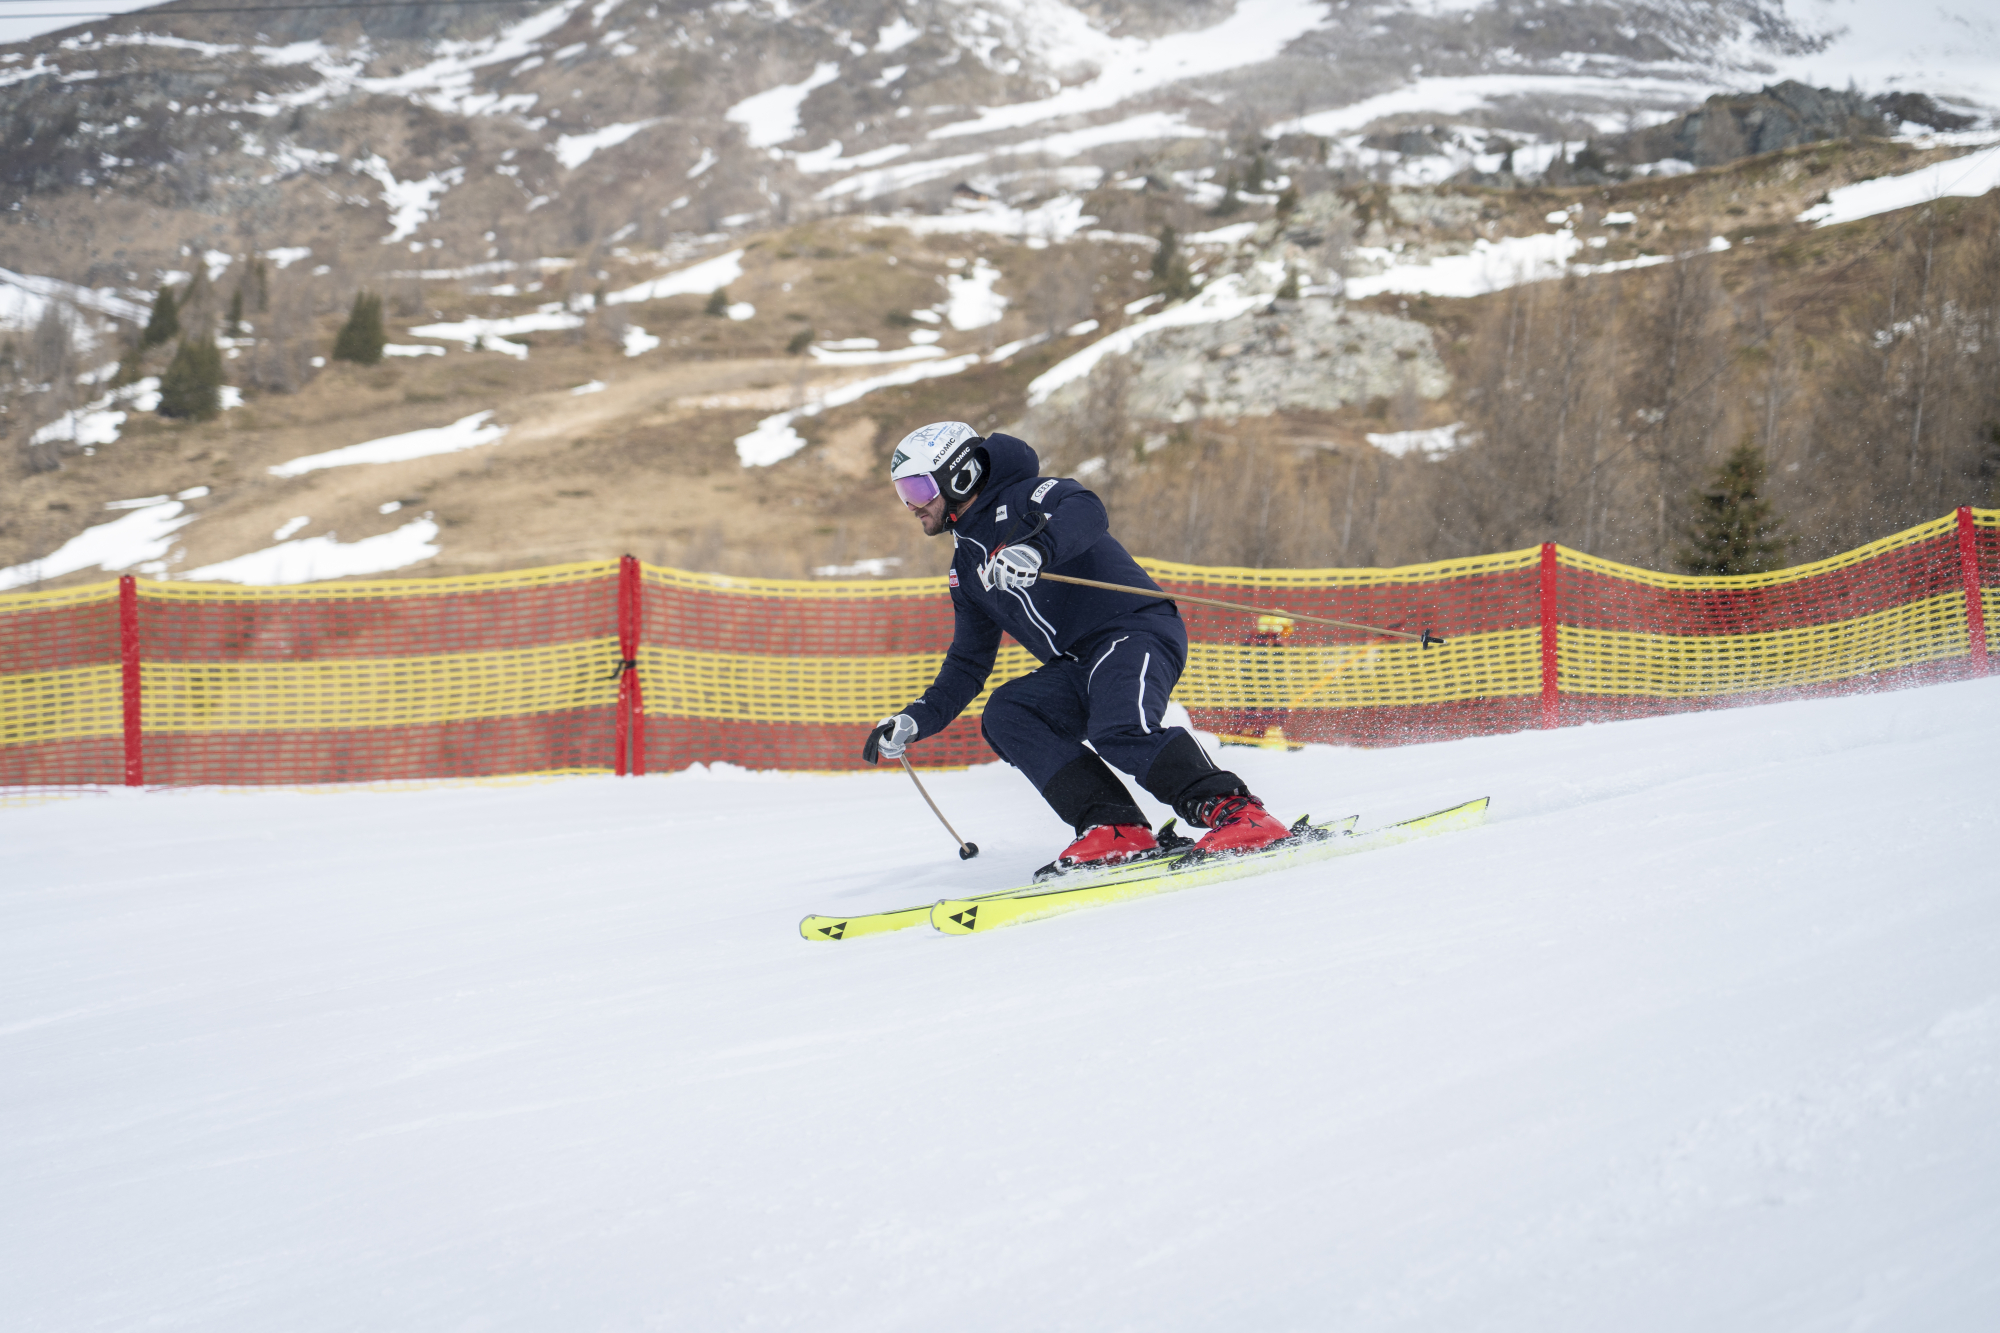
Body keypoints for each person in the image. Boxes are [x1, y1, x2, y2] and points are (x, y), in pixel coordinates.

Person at [867, 421, 1291, 873]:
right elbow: (969, 662)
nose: (913, 505)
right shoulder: (966, 568)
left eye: (919, 488)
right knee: (1009, 712)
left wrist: (1036, 549)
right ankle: (1115, 828)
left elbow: (1085, 509)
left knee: (1118, 727)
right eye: (903, 493)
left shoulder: (1026, 497)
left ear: (961, 475)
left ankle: (1238, 813)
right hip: (1077, 661)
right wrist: (917, 718)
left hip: (1134, 629)